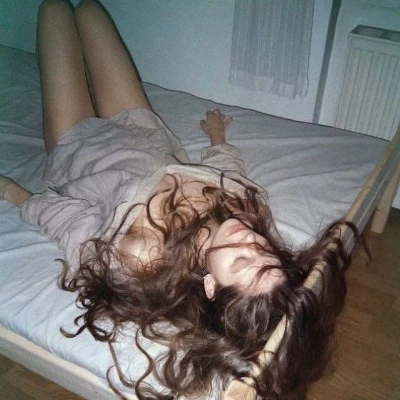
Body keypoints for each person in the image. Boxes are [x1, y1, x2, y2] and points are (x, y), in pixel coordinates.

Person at [0, 0, 355, 399]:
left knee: (54, 10)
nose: (249, 241)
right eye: (265, 253)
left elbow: (73, 227)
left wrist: (16, 193)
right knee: (89, 11)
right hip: (143, 128)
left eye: (241, 261)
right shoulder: (249, 211)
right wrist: (217, 136)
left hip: (81, 148)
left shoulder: (145, 258)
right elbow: (229, 173)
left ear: (210, 286)